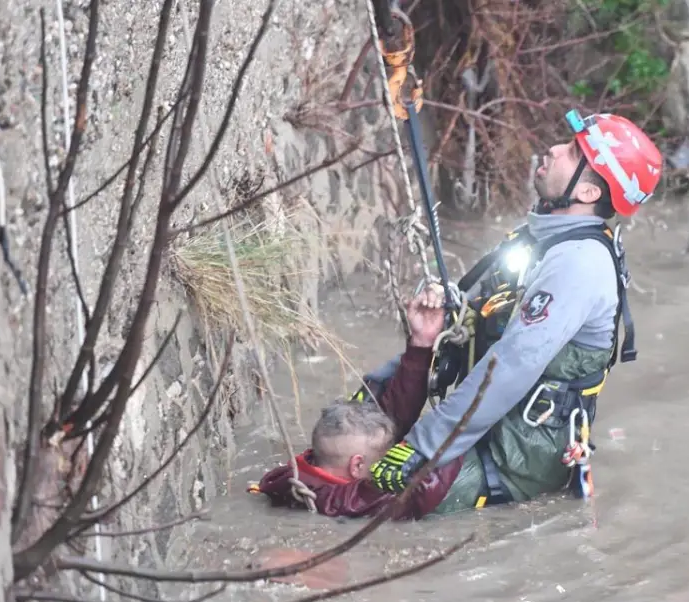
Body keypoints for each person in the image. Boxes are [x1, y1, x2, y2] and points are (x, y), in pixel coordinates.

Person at [364, 109, 662, 514]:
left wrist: (422, 447)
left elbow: (510, 366)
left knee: (374, 498)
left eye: (573, 152)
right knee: (354, 423)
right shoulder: (542, 238)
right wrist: (429, 334)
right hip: (488, 426)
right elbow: (485, 313)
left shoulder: (579, 263)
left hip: (517, 458)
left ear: (589, 193)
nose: (554, 149)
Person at [253, 284, 465, 520]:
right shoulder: (346, 503)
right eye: (385, 456)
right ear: (357, 466)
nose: (390, 458)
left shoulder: (293, 474)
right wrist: (464, 422)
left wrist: (422, 343)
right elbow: (419, 494)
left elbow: (390, 417)